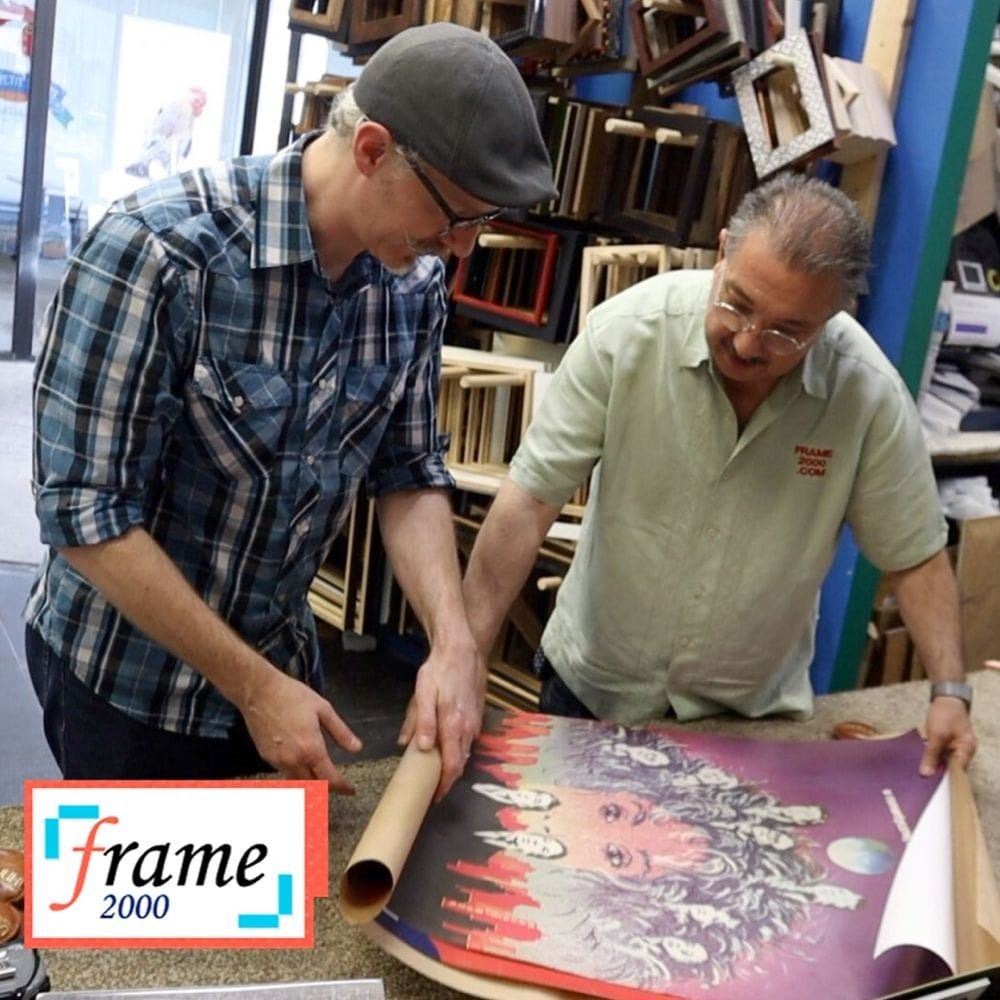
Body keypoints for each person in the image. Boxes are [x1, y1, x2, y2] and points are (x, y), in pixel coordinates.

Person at [25, 23, 556, 797]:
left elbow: (407, 470)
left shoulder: (410, 283)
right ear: (373, 150)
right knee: (142, 913)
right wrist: (253, 687)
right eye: (455, 218)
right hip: (127, 687)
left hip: (281, 676)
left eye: (483, 223)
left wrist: (454, 644)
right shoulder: (159, 251)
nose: (464, 249)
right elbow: (84, 511)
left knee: (261, 916)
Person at [463, 173, 977, 776]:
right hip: (594, 695)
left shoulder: (867, 396)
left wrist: (949, 690)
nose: (748, 341)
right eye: (738, 302)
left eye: (788, 331)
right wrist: (465, 652)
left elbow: (913, 555)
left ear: (836, 315)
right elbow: (529, 501)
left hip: (749, 717)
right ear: (724, 250)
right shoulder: (625, 336)